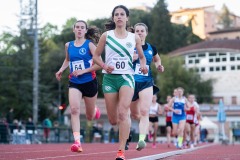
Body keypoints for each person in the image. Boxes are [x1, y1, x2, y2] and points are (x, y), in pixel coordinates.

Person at [92, 5, 148, 160]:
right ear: (113, 18)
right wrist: (104, 66)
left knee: (123, 113)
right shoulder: (106, 36)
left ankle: (121, 151)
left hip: (126, 77)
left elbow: (142, 57)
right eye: (116, 14)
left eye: (122, 14)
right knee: (113, 119)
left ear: (127, 18)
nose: (119, 17)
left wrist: (143, 65)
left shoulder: (134, 37)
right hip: (109, 78)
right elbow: (96, 56)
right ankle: (125, 128)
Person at [55, 20, 101, 153]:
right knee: (74, 110)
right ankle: (77, 142)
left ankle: (95, 110)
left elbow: (99, 64)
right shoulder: (68, 45)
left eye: (82, 28)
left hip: (89, 82)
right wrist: (61, 69)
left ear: (86, 31)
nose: (79, 29)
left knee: (89, 116)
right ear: (74, 30)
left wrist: (83, 70)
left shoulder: (90, 45)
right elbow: (68, 60)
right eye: (77, 27)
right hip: (74, 82)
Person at [126, 22, 164, 151]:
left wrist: (159, 65)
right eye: (137, 31)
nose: (140, 33)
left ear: (146, 33)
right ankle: (128, 134)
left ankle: (141, 140)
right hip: (130, 82)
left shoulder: (151, 48)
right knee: (132, 113)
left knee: (144, 112)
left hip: (146, 83)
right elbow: (119, 62)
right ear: (133, 33)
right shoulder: (129, 46)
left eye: (142, 31)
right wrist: (131, 58)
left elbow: (157, 59)